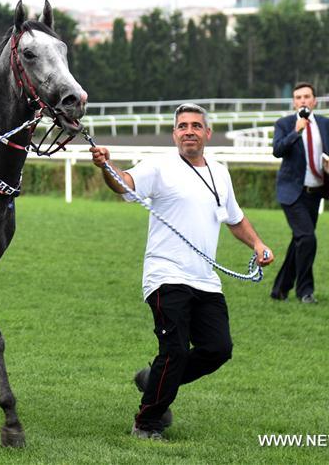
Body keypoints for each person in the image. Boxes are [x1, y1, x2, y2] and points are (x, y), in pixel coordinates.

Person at [89, 103, 273, 441]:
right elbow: (124, 184)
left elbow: (234, 218)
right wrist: (106, 166)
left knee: (218, 349)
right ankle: (147, 423)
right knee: (173, 350)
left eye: (196, 126)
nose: (189, 131)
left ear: (207, 133)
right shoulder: (160, 166)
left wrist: (257, 244)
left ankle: (152, 380)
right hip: (166, 276)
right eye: (183, 126)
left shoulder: (220, 173)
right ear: (174, 134)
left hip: (206, 280)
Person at [271, 82, 329, 305]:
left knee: (300, 241)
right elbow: (277, 150)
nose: (303, 100)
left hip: (316, 192)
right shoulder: (284, 124)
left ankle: (280, 289)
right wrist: (296, 132)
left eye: (307, 96)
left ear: (314, 101)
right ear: (294, 103)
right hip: (292, 192)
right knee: (307, 238)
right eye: (298, 97)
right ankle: (305, 291)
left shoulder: (324, 122)